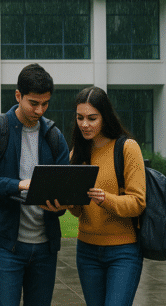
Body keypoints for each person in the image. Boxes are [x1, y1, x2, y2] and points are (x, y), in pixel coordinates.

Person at [0, 63, 70, 306]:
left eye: (45, 103)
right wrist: (18, 185)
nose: (40, 110)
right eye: (33, 103)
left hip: (46, 248)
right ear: (18, 95)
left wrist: (60, 206)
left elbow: (63, 192)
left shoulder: (55, 137)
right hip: (7, 247)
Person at [66, 86, 146, 306]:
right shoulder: (77, 153)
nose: (85, 124)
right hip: (86, 251)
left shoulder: (127, 148)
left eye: (92, 118)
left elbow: (138, 202)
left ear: (105, 116)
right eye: (80, 118)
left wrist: (105, 199)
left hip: (123, 252)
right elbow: (77, 210)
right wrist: (67, 199)